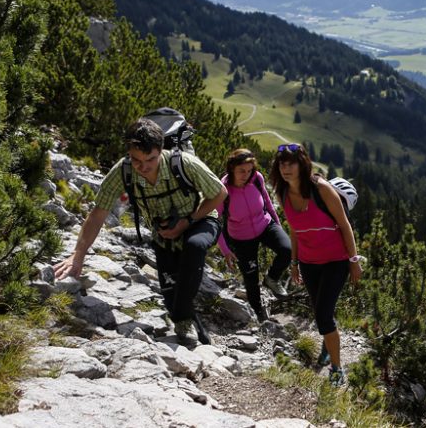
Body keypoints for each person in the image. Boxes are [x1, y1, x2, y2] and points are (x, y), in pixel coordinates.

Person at [53, 118, 226, 344]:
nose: (143, 167)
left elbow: (220, 193)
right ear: (129, 152)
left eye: (150, 159)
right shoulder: (123, 171)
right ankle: (195, 331)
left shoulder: (184, 163)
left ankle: (187, 323)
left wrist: (187, 221)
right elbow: (98, 214)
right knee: (172, 295)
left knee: (194, 247)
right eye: (136, 160)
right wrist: (78, 254)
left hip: (199, 220)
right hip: (163, 234)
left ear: (160, 150)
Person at [269, 142, 363, 386]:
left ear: (302, 165)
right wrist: (294, 263)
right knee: (322, 310)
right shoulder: (282, 193)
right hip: (309, 263)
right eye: (282, 163)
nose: (286, 168)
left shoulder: (321, 189)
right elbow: (296, 231)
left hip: (336, 261)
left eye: (291, 163)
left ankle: (336, 369)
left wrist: (354, 261)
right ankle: (327, 343)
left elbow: (344, 225)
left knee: (322, 314)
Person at [217, 148, 292, 323]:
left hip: (265, 224)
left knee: (287, 249)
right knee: (251, 278)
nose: (246, 174)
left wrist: (278, 227)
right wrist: (226, 250)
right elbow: (215, 221)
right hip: (241, 237)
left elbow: (267, 202)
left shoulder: (256, 178)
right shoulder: (223, 189)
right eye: (242, 171)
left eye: (249, 170)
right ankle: (259, 314)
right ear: (232, 168)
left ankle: (272, 279)